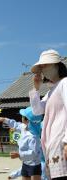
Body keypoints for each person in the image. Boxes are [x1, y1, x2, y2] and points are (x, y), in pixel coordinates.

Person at [29, 49, 67, 179]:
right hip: (53, 144)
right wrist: (36, 88)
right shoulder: (51, 91)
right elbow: (37, 111)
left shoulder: (65, 83)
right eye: (41, 67)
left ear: (56, 64)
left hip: (61, 142)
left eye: (45, 65)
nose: (42, 69)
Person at [0, 107, 43, 180]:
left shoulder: (33, 137)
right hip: (25, 163)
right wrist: (4, 119)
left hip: (34, 165)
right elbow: (15, 124)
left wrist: (19, 155)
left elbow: (34, 153)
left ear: (27, 120)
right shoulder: (24, 127)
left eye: (23, 116)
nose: (21, 117)